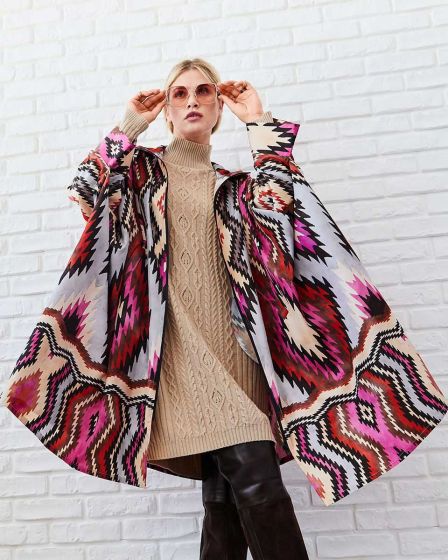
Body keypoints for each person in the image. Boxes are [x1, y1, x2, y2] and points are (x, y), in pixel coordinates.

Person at [115, 58, 310, 559]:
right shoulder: (142, 174)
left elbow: (281, 208)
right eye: (179, 94)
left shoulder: (235, 185)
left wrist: (257, 120)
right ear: (166, 110)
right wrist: (128, 127)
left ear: (218, 107)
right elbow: (86, 192)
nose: (192, 101)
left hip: (239, 355)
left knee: (223, 502)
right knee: (258, 480)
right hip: (182, 357)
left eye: (204, 92)